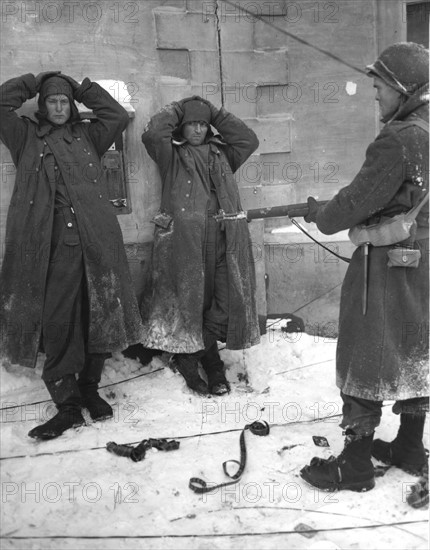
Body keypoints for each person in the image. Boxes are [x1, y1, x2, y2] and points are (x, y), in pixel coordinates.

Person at [299, 42, 429, 492]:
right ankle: (410, 447)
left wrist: (321, 213)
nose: (375, 96)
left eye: (379, 88)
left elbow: (351, 205)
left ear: (401, 88)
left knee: (363, 354)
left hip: (386, 267)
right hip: (426, 262)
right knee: (418, 350)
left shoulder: (398, 138)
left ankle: (353, 466)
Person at [0, 72, 144, 440]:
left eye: (66, 101)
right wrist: (35, 81)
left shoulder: (89, 135)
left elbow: (116, 115)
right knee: (58, 319)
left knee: (98, 311)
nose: (60, 108)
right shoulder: (25, 136)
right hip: (50, 248)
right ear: (43, 106)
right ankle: (67, 404)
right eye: (53, 101)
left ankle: (90, 390)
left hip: (96, 240)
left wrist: (81, 88)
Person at [140, 96, 260, 395]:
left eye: (203, 124)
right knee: (188, 303)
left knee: (223, 302)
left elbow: (248, 139)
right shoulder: (171, 155)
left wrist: (216, 113)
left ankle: (196, 357)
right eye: (192, 123)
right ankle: (198, 363)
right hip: (184, 242)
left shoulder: (223, 154)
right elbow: (154, 133)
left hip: (222, 239)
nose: (198, 130)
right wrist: (178, 108)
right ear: (182, 125)